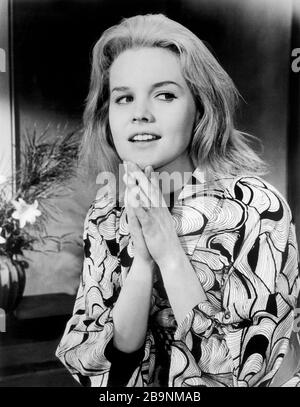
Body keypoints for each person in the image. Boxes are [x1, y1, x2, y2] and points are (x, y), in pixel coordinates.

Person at [55, 13, 300, 387]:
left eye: (165, 94)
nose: (140, 114)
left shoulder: (257, 208)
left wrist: (169, 253)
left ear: (200, 109)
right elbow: (109, 366)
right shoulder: (105, 213)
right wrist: (140, 262)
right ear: (107, 116)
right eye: (124, 98)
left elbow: (250, 372)